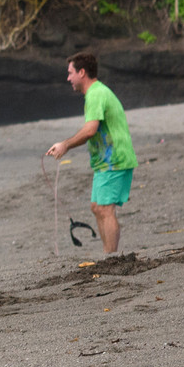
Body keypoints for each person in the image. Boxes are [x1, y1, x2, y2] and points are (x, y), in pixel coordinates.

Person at [45, 51, 134, 254]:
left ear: (82, 72)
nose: (68, 78)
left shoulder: (96, 93)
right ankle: (108, 254)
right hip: (106, 161)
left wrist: (65, 145)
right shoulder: (96, 93)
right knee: (97, 207)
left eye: (70, 73)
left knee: (105, 209)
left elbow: (90, 130)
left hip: (115, 159)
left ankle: (111, 257)